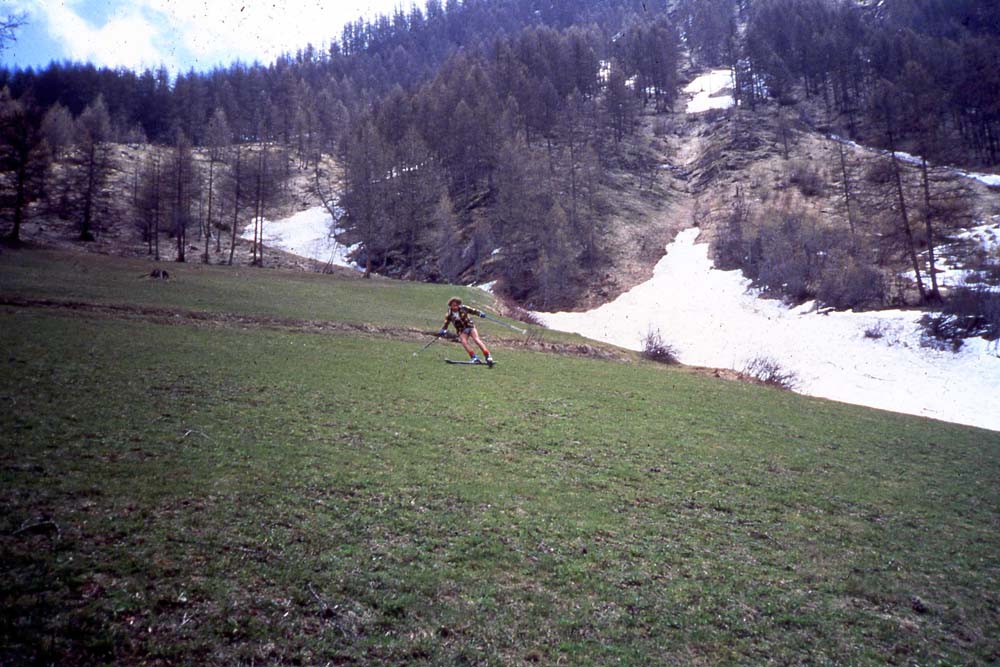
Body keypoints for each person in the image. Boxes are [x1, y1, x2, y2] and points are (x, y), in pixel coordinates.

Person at [439, 297, 494, 366]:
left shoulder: (463, 308)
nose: (456, 307)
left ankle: (488, 356)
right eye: (454, 305)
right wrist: (443, 330)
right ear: (450, 305)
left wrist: (480, 314)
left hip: (470, 326)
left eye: (457, 305)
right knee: (464, 342)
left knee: (476, 340)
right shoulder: (449, 314)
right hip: (461, 330)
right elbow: (446, 323)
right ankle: (474, 358)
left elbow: (473, 311)